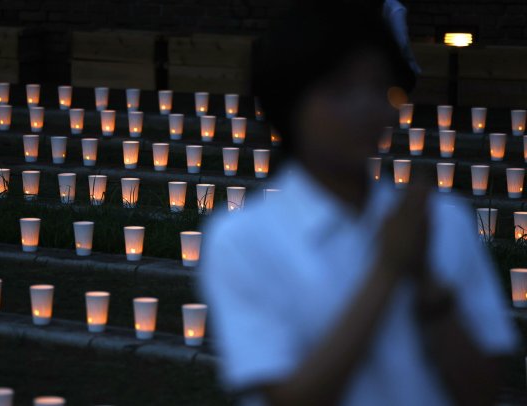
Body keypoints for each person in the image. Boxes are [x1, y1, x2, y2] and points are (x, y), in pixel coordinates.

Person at [198, 2, 518, 405]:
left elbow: (483, 391)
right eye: (341, 90)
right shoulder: (244, 238)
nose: (368, 108)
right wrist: (389, 267)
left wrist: (427, 284)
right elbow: (289, 397)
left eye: (381, 89)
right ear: (289, 102)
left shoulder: (442, 219)